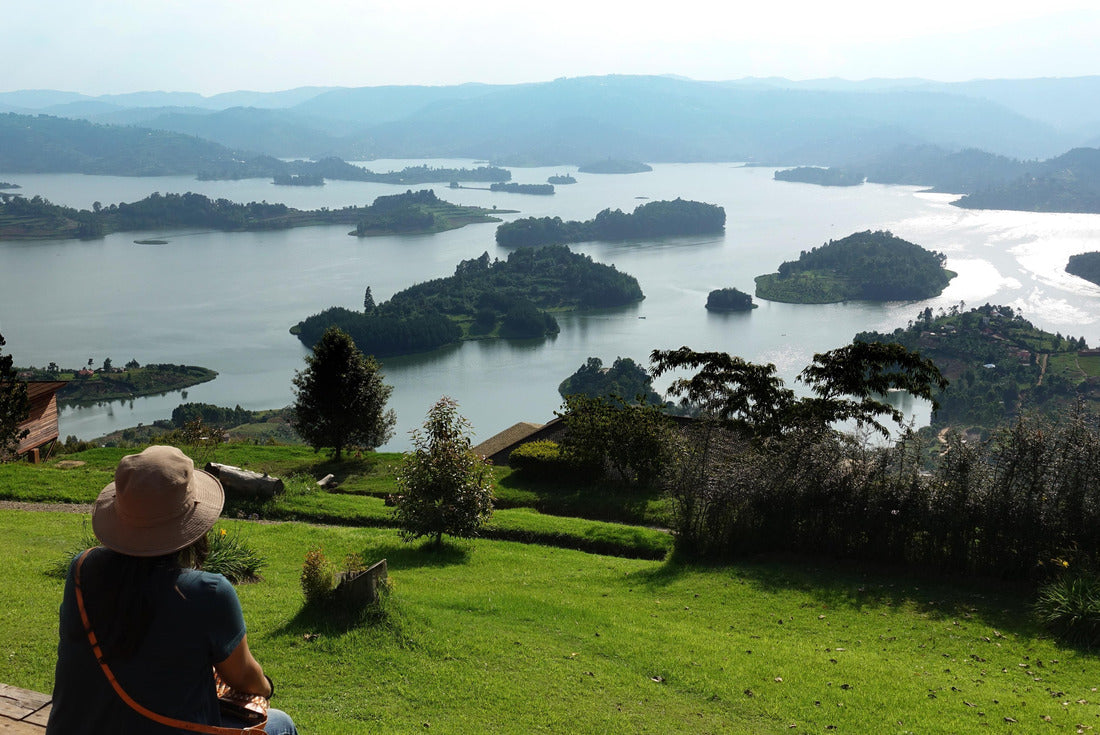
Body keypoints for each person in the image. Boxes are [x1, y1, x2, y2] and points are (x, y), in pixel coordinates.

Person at [46, 445, 297, 734]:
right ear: (191, 521)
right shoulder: (208, 593)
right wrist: (266, 687)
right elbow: (245, 678)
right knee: (281, 723)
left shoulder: (81, 569)